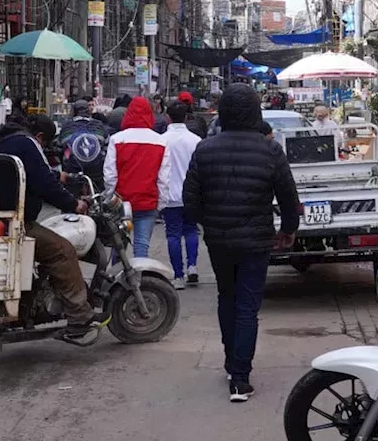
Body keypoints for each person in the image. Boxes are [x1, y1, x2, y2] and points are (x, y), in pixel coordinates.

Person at [184, 83, 301, 403]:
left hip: (219, 240)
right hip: (257, 239)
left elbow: (189, 201)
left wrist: (210, 222)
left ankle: (230, 363)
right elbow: (289, 198)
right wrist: (289, 229)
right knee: (248, 306)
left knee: (227, 297)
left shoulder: (205, 149)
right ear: (255, 112)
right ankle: (240, 378)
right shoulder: (270, 150)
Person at [0, 113, 110, 346]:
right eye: (44, 143)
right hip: (16, 223)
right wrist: (73, 204)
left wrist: (61, 176)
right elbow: (44, 183)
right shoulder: (28, 143)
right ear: (40, 137)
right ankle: (79, 316)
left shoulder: (3, 140)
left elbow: (32, 173)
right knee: (63, 250)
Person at [104, 96, 170, 258]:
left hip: (121, 203)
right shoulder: (161, 142)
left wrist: (110, 199)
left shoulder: (117, 139)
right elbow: (163, 178)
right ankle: (139, 281)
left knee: (119, 246)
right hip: (148, 202)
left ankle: (117, 280)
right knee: (141, 245)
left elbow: (110, 175)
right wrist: (160, 203)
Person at [160, 102, 203, 290]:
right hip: (192, 194)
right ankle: (192, 266)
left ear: (167, 117)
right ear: (186, 118)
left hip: (170, 195)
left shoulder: (161, 140)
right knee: (192, 230)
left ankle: (178, 276)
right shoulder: (195, 140)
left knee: (173, 235)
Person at [57, 99, 111, 193]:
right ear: (89, 111)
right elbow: (107, 147)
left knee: (71, 197)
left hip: (73, 171)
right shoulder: (98, 126)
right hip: (96, 171)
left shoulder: (67, 127)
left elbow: (59, 148)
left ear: (74, 111)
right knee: (100, 195)